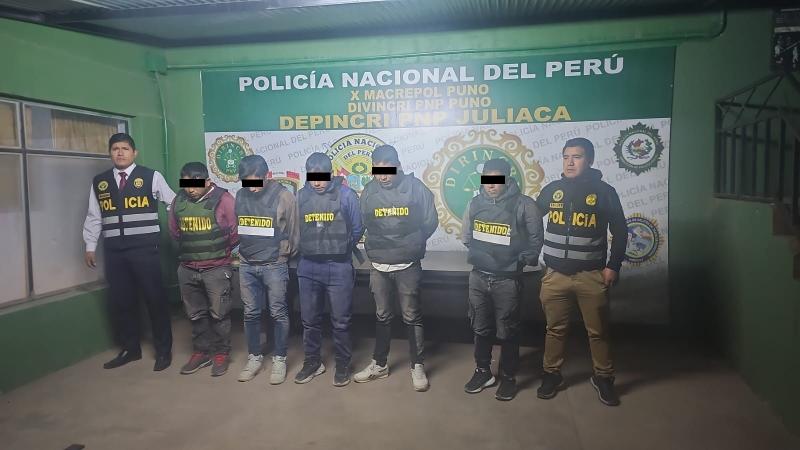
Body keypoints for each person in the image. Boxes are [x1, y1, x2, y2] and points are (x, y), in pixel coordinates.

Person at [535, 137, 628, 406]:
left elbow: (621, 231)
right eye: (566, 157)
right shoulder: (552, 190)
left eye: (577, 157)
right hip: (555, 275)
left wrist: (613, 266)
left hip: (591, 275)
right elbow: (528, 216)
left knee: (598, 331)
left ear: (590, 160)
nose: (570, 162)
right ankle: (551, 374)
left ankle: (603, 378)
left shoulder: (605, 192)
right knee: (554, 329)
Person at [83, 132, 174, 371]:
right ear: (110, 153)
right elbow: (94, 216)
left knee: (155, 300)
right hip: (115, 252)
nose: (120, 153)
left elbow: (172, 203)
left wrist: (177, 231)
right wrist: (90, 246)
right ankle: (130, 349)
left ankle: (163, 351)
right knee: (122, 302)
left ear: (134, 153)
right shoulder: (100, 182)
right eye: (115, 149)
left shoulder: (151, 176)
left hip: (146, 250)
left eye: (125, 148)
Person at [354, 145, 438, 392]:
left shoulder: (416, 188)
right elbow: (363, 222)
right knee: (382, 315)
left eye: (387, 169)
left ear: (398, 166)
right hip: (378, 265)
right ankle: (380, 364)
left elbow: (430, 221)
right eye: (377, 170)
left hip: (407, 264)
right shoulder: (368, 191)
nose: (382, 176)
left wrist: (411, 243)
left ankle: (417, 366)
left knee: (411, 316)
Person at [461, 159, 543, 401]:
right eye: (487, 179)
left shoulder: (525, 204)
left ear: (507, 179)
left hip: (507, 280)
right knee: (480, 327)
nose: (491, 185)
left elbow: (535, 241)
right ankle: (483, 371)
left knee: (508, 330)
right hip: (478, 276)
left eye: (497, 180)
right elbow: (466, 236)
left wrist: (515, 262)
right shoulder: (474, 203)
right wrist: (485, 257)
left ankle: (508, 377)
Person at [293, 153, 364, 387]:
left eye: (322, 176)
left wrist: (340, 248)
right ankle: (312, 362)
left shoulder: (346, 195)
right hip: (308, 265)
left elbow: (357, 228)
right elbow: (294, 228)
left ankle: (343, 364)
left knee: (341, 321)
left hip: (338, 265)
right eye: (312, 177)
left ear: (331, 174)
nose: (317, 182)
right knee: (309, 321)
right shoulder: (300, 196)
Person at [168, 162, 238, 377]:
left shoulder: (224, 200)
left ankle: (221, 354)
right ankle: (201, 352)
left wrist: (218, 253)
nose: (190, 189)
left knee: (220, 314)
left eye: (195, 184)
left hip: (216, 268)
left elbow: (235, 232)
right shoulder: (178, 200)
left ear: (207, 181)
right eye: (186, 184)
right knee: (195, 314)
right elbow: (174, 231)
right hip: (187, 267)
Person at [235, 155, 299, 385]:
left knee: (278, 313)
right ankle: (254, 357)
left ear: (267, 175)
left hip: (274, 264)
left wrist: (283, 255)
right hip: (247, 264)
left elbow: (294, 234)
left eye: (255, 181)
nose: (251, 188)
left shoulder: (284, 196)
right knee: (250, 313)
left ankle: (280, 359)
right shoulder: (240, 195)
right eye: (247, 182)